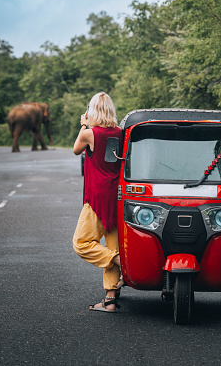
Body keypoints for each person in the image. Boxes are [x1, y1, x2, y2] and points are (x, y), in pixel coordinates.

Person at [72, 92, 123, 312]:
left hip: (96, 197)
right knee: (112, 242)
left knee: (81, 243)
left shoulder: (90, 134)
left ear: (93, 111)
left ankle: (121, 261)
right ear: (111, 110)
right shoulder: (122, 133)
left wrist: (83, 125)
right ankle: (110, 300)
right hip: (117, 196)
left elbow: (76, 150)